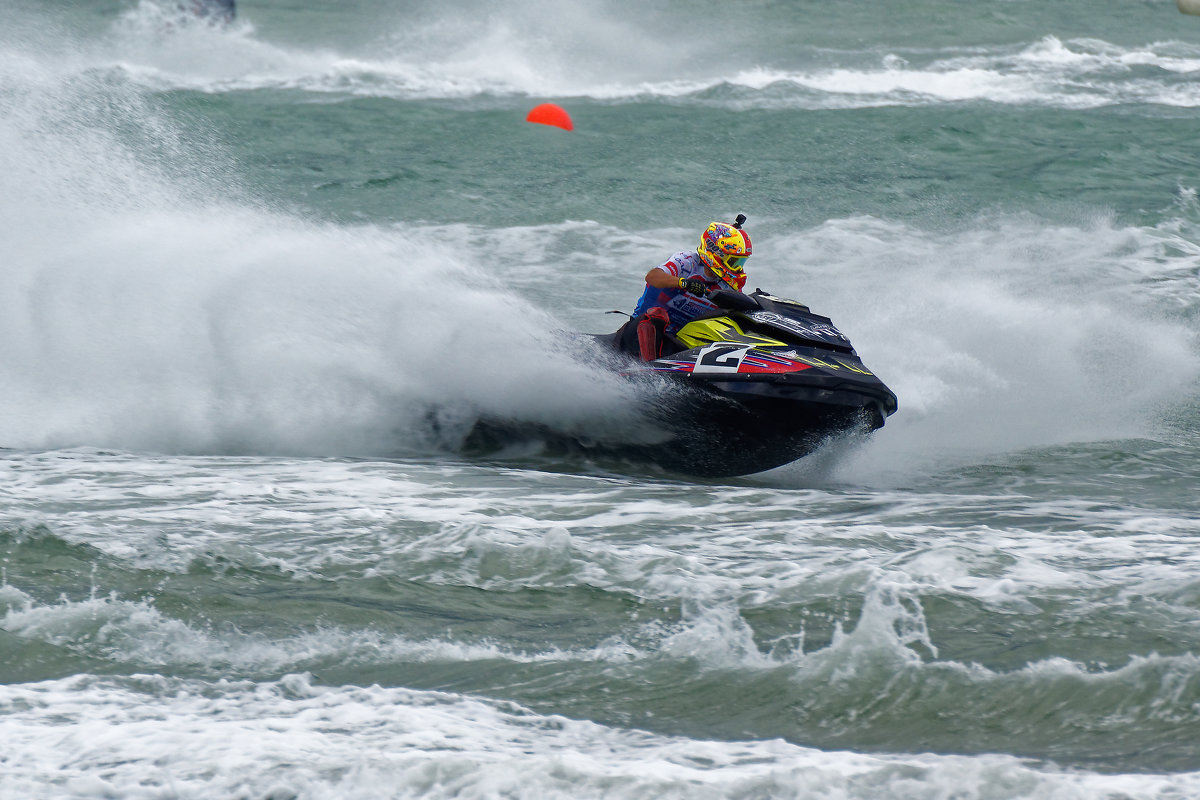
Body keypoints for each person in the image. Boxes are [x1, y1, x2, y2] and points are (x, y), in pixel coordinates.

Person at [622, 215, 752, 361]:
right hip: (637, 335)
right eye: (734, 261)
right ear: (715, 252)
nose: (737, 268)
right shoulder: (687, 262)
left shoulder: (727, 285)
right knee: (657, 315)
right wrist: (685, 283)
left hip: (678, 343)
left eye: (740, 262)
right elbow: (652, 277)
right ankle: (648, 372)